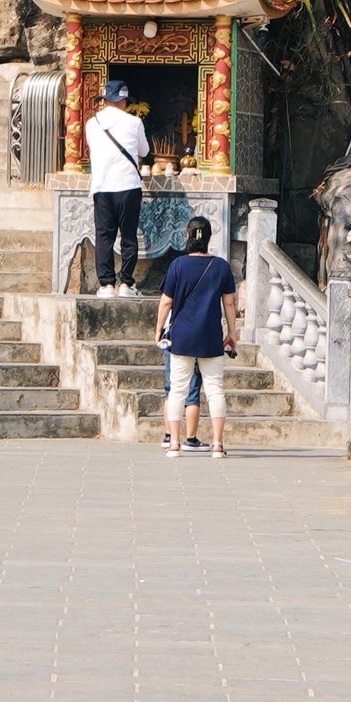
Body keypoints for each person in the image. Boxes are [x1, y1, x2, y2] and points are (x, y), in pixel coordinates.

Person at [158, 216, 239, 460]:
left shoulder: (177, 265)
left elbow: (166, 301)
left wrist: (158, 330)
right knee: (215, 390)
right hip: (210, 336)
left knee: (177, 391)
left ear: (188, 235)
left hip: (181, 336)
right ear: (209, 238)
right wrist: (232, 333)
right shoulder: (221, 266)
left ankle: (174, 443)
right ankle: (217, 444)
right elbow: (229, 302)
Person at [85, 81, 152, 294]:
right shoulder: (134, 122)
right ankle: (126, 283)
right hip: (128, 185)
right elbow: (144, 150)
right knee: (128, 236)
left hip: (102, 186)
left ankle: (106, 284)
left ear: (104, 101)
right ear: (123, 101)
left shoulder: (91, 123)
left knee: (104, 236)